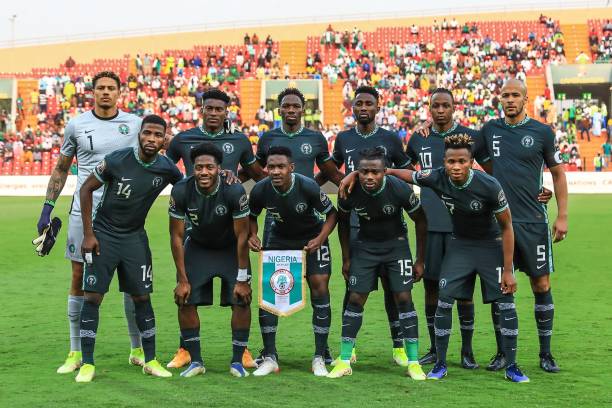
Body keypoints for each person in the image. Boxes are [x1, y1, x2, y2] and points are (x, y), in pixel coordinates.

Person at [363, 134, 529, 383]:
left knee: (506, 302)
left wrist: (508, 269)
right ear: (444, 162)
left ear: (471, 162)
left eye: (462, 161)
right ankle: (440, 364)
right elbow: (410, 175)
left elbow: (507, 227)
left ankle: (513, 365)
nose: (456, 167)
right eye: (451, 161)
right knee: (444, 300)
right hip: (460, 246)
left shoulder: (489, 185)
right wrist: (382, 171)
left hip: (490, 246)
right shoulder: (438, 176)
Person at [36, 71, 145, 374]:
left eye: (111, 88)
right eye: (101, 88)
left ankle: (136, 348)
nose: (106, 92)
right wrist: (47, 208)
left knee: (131, 281)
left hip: (125, 215)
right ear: (92, 92)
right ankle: (75, 352)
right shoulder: (77, 125)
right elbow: (61, 168)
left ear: (120, 92)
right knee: (78, 278)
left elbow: (161, 153)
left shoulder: (136, 125)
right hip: (83, 214)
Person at [76, 115, 183, 382]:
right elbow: (86, 190)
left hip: (135, 238)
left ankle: (150, 360)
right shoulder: (116, 159)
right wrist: (89, 234)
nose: (151, 139)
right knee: (93, 298)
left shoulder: (167, 169)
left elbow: (186, 190)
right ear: (139, 134)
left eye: (158, 135)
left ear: (164, 140)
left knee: (142, 298)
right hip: (104, 235)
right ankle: (87, 363)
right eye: (147, 133)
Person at [164, 88, 265, 369]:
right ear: (202, 110)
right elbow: (164, 167)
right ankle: (186, 349)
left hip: (230, 226)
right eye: (209, 108)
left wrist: (234, 178)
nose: (213, 113)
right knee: (185, 295)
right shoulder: (183, 139)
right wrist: (183, 184)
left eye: (219, 109)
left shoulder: (239, 140)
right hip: (197, 223)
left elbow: (257, 176)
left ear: (226, 112)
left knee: (240, 296)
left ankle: (242, 352)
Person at [245, 87, 343, 366]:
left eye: (295, 106)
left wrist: (320, 189)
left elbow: (328, 171)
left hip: (310, 229)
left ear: (303, 109)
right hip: (277, 230)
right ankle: (269, 354)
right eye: (285, 106)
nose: (290, 110)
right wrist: (253, 233)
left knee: (319, 286)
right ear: (279, 110)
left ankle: (321, 352)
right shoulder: (267, 140)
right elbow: (254, 171)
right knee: (273, 289)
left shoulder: (315, 138)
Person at [321, 85, 414, 367]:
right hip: (355, 223)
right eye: (358, 103)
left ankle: (399, 346)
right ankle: (350, 349)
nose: (363, 107)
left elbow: (407, 170)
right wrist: (341, 182)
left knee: (392, 288)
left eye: (368, 103)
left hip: (387, 225)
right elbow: (331, 168)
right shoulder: (343, 138)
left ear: (378, 106)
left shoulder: (390, 139)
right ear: (353, 107)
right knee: (353, 289)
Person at [478, 79, 568, 373]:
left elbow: (557, 173)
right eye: (505, 95)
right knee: (502, 287)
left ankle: (546, 353)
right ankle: (503, 353)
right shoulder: (490, 130)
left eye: (515, 95)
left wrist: (562, 214)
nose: (510, 99)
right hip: (499, 223)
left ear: (526, 99)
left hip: (533, 222)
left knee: (541, 284)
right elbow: (461, 143)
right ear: (499, 99)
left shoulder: (542, 132)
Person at [327, 147, 427, 380]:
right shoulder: (349, 190)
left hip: (397, 247)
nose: (369, 177)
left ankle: (413, 362)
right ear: (357, 172)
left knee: (403, 298)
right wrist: (346, 257)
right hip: (365, 247)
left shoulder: (399, 188)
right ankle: (344, 360)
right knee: (354, 298)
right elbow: (342, 223)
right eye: (364, 172)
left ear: (385, 173)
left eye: (375, 172)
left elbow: (421, 221)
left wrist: (420, 259)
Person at [405, 88, 484, 368]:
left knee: (464, 292)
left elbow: (491, 172)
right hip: (431, 225)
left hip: (464, 227)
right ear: (429, 108)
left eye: (445, 105)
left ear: (454, 107)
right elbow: (405, 170)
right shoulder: (419, 139)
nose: (440, 110)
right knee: (431, 289)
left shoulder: (470, 138)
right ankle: (435, 348)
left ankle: (467, 350)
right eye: (435, 105)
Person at [169, 142, 253, 378]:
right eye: (198, 167)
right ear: (192, 169)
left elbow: (242, 236)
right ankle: (195, 361)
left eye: (209, 167)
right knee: (184, 299)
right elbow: (176, 236)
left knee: (241, 299)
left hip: (230, 250)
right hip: (197, 247)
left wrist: (243, 278)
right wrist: (182, 279)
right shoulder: (181, 190)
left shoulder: (234, 191)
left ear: (219, 168)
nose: (204, 172)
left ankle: (237, 360)